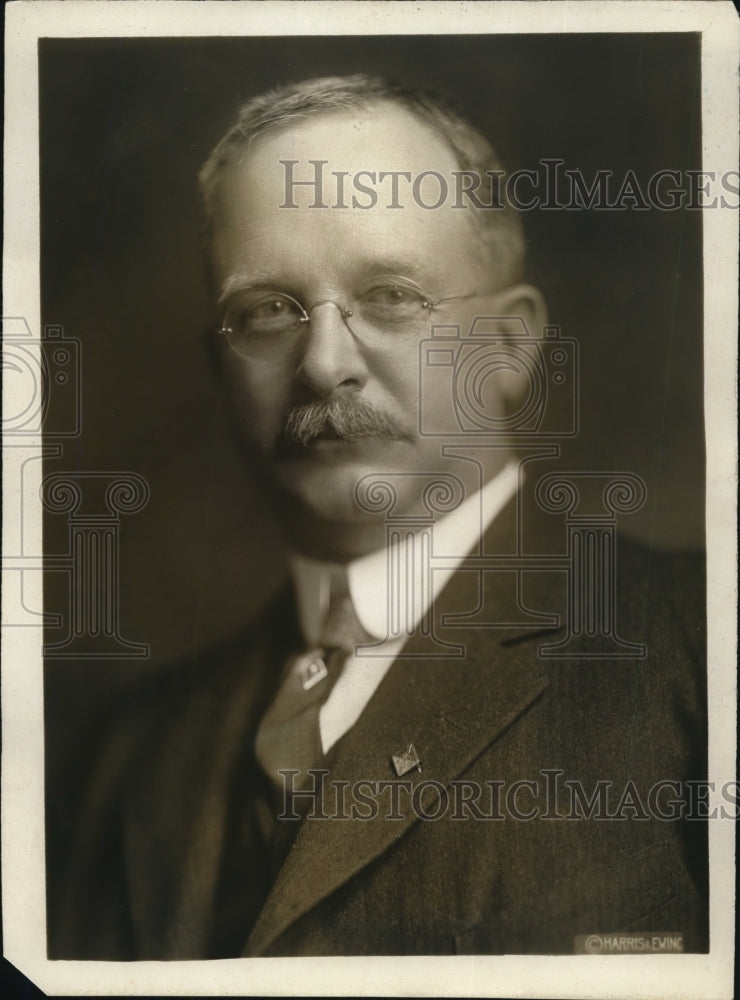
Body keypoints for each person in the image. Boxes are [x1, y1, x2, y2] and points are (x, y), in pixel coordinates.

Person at [48, 74, 707, 959]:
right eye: (267, 310)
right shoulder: (118, 761)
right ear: (222, 369)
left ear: (510, 345)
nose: (323, 364)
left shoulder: (700, 650)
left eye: (391, 295)